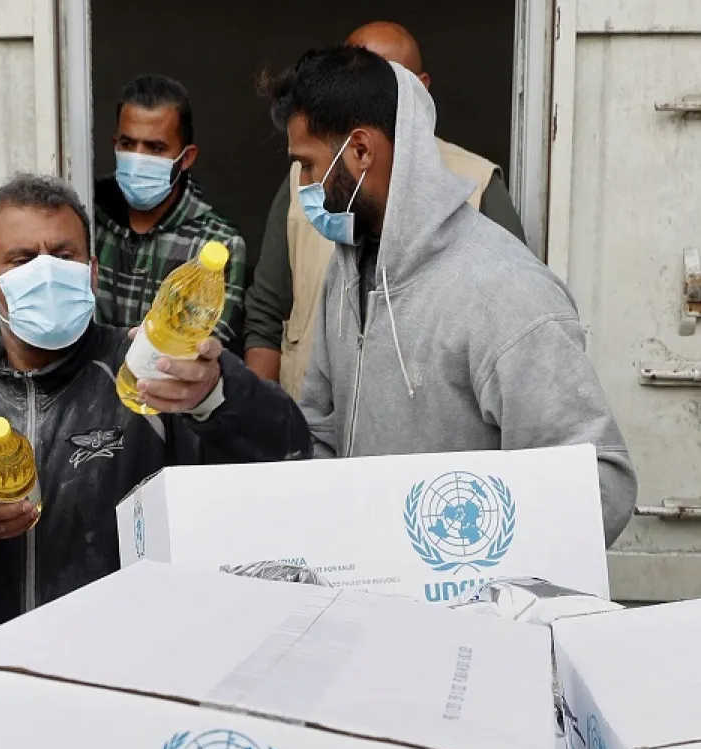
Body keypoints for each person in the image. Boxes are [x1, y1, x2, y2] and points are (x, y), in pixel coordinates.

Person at [0, 174, 310, 636]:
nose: (47, 274)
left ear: (91, 272)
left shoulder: (154, 375)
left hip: (128, 660)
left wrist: (217, 394)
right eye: (23, 260)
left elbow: (287, 455)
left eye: (63, 255)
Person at [262, 47, 636, 545]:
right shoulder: (348, 272)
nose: (303, 185)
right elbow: (322, 432)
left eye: (308, 166)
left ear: (361, 151)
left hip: (465, 591)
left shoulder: (503, 289)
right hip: (368, 584)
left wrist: (467, 564)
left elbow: (600, 485)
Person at [245, 21, 527, 395]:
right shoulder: (338, 247)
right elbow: (266, 314)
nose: (356, 94)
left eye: (379, 81)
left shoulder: (483, 200)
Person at [94, 74, 246, 341]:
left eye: (155, 148)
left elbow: (204, 347)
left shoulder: (217, 244)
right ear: (115, 145)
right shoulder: (87, 217)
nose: (138, 158)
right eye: (128, 144)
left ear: (186, 158)